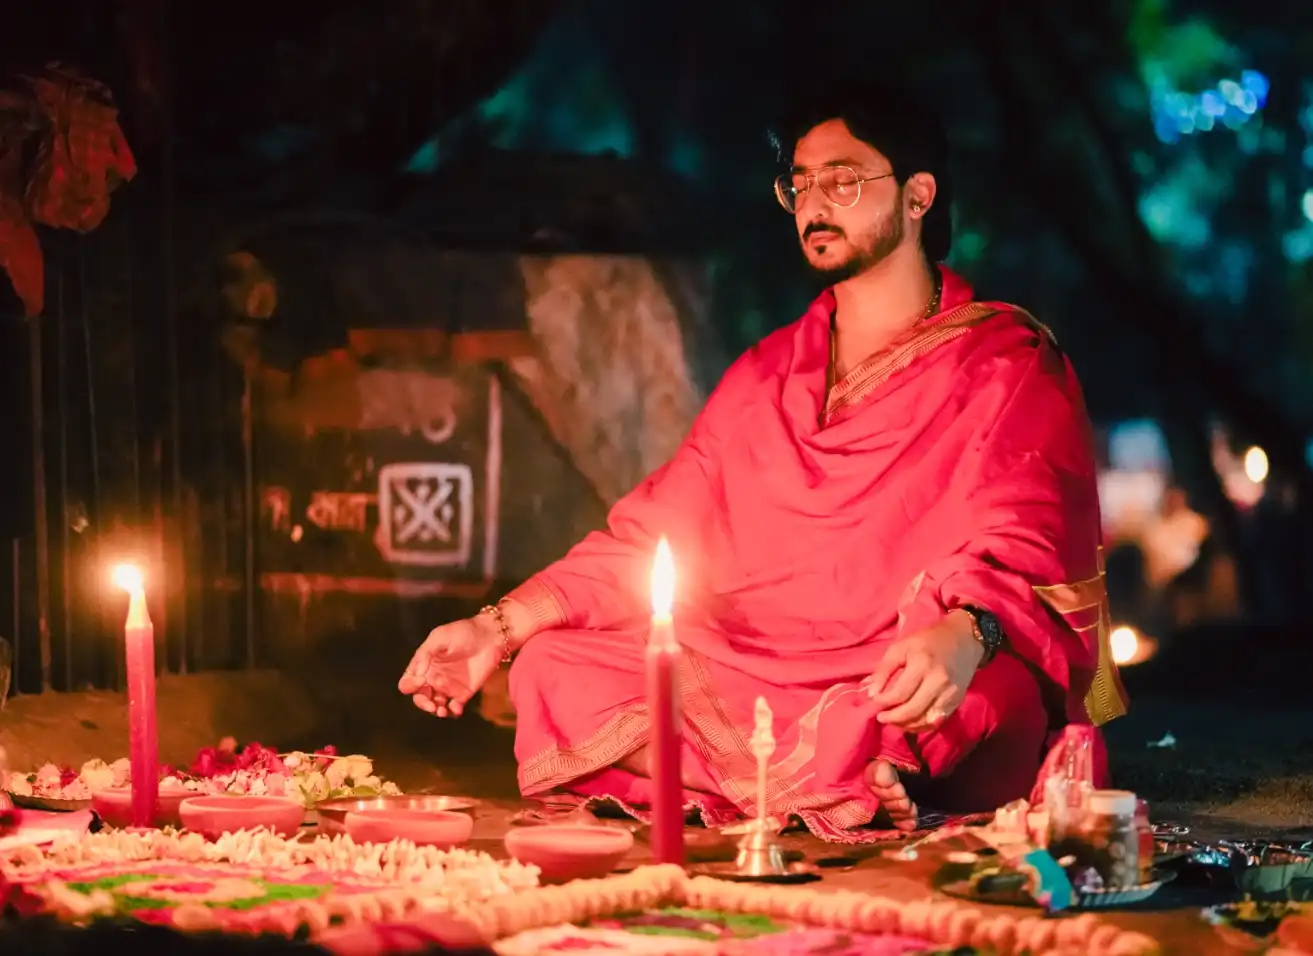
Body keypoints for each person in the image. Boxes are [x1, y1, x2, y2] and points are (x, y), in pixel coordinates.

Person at [399, 82, 1128, 841]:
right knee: (550, 666)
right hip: (751, 666)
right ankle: (835, 785)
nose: (815, 204)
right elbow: (652, 537)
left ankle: (814, 775)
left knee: (986, 697)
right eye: (800, 184)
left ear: (918, 195)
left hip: (893, 669)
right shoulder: (766, 373)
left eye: (843, 180)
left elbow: (1026, 544)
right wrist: (495, 628)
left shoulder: (1004, 363)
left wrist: (963, 633)